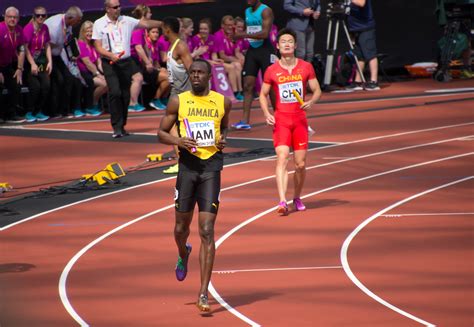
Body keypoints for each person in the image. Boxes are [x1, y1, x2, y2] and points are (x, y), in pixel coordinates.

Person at [157, 59, 231, 312]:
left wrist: (222, 139)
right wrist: (178, 140)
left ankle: (203, 294)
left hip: (211, 168)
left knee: (208, 230)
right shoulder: (179, 100)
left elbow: (225, 128)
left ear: (209, 76)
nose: (196, 76)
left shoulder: (223, 101)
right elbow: (161, 133)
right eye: (193, 73)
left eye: (200, 72)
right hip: (187, 170)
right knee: (180, 227)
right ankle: (183, 251)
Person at [259, 28, 321, 215]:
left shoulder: (305, 67)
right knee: (282, 158)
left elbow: (317, 90)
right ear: (277, 46)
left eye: (290, 41)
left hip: (300, 120)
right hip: (282, 120)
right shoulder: (272, 70)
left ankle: (297, 196)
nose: (286, 43)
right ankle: (282, 201)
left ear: (295, 45)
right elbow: (262, 94)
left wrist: (312, 101)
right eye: (283, 41)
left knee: (300, 164)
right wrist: (266, 112)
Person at [92, 0, 162, 138]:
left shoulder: (126, 20)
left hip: (126, 61)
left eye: (119, 6)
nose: (118, 9)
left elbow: (145, 24)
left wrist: (163, 23)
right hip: (109, 62)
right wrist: (110, 55)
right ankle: (116, 126)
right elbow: (98, 46)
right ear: (107, 9)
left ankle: (122, 125)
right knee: (115, 92)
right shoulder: (99, 23)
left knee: (125, 94)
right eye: (115, 7)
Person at [233, 0, 276, 130]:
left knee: (271, 86)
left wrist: (242, 35)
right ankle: (245, 120)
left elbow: (264, 34)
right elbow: (251, 30)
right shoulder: (247, 11)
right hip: (253, 50)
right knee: (247, 85)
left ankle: (279, 117)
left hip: (265, 50)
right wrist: (240, 34)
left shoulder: (266, 10)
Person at [161, 16, 194, 173]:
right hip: (176, 91)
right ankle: (181, 159)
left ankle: (183, 160)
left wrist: (199, 92)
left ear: (168, 29)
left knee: (175, 126)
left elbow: (192, 70)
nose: (162, 33)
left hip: (184, 93)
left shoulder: (180, 46)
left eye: (162, 30)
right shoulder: (171, 46)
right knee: (173, 125)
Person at [45, 6, 84, 118]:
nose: (79, 22)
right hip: (48, 55)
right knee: (58, 80)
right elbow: (48, 45)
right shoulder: (55, 26)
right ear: (71, 18)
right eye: (78, 20)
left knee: (69, 78)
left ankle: (64, 110)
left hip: (57, 54)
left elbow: (66, 41)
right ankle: (53, 111)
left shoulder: (68, 24)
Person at [23, 6, 52, 123]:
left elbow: (47, 45)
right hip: (28, 62)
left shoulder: (45, 28)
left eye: (43, 15)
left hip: (40, 60)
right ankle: (29, 111)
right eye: (38, 15)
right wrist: (32, 64)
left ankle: (38, 111)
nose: (40, 17)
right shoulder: (28, 29)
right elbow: (25, 48)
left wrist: (50, 61)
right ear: (34, 16)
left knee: (46, 85)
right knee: (35, 87)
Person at [346, 0, 380, 91]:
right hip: (354, 28)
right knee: (359, 56)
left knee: (370, 54)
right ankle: (358, 81)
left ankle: (374, 81)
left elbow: (361, 3)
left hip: (365, 27)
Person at [0, 6, 26, 123]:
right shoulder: (0, 29)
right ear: (4, 17)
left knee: (16, 83)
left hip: (7, 65)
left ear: (18, 18)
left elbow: (21, 49)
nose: (12, 19)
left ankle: (11, 114)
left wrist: (19, 68)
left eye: (15, 17)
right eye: (10, 17)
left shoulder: (19, 30)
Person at [77, 20, 107, 116]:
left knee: (108, 81)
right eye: (87, 31)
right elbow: (88, 63)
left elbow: (99, 63)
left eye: (91, 31)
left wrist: (104, 73)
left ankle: (95, 104)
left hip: (93, 72)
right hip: (84, 73)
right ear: (83, 32)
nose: (90, 33)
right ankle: (91, 105)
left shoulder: (94, 45)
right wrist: (98, 75)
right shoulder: (81, 44)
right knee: (103, 84)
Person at [214, 15, 244, 101]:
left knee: (238, 65)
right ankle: (235, 92)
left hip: (230, 60)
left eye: (231, 25)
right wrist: (236, 60)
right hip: (221, 61)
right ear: (222, 25)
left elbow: (236, 51)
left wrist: (241, 59)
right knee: (235, 65)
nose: (230, 27)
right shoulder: (218, 35)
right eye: (228, 25)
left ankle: (240, 91)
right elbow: (222, 56)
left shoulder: (233, 34)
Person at [145, 26, 171, 110]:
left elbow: (156, 62)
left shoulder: (156, 44)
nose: (156, 34)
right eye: (153, 32)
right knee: (168, 77)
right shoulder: (146, 44)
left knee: (172, 75)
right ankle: (155, 99)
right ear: (148, 33)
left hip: (154, 69)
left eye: (157, 32)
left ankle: (163, 99)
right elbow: (146, 62)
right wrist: (158, 69)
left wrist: (160, 68)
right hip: (146, 71)